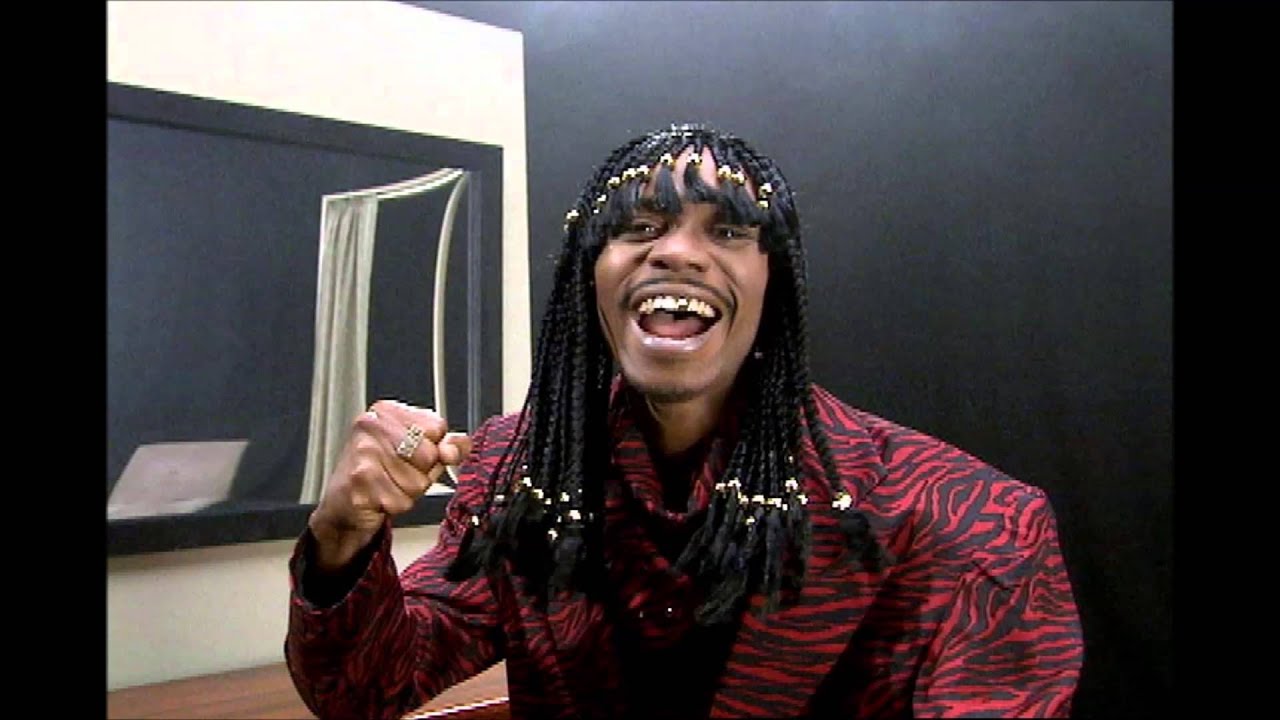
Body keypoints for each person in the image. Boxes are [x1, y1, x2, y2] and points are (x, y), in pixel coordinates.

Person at [284, 124, 1084, 719]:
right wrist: (341, 538)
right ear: (588, 276)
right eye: (638, 227)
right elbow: (364, 690)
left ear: (774, 284)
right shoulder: (518, 476)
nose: (676, 252)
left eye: (728, 230)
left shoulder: (968, 526)